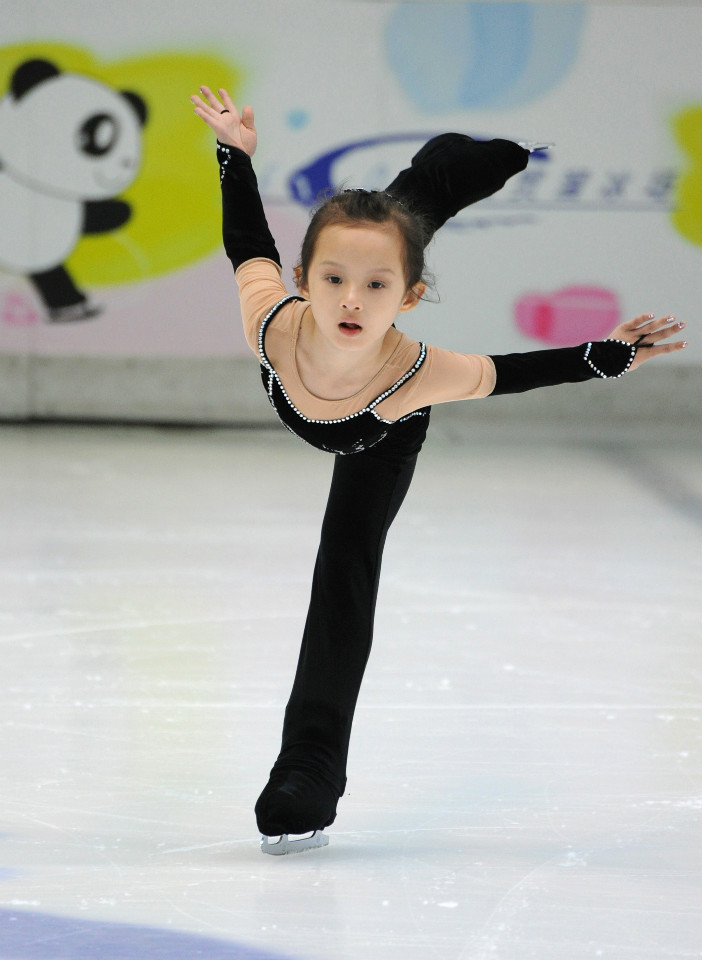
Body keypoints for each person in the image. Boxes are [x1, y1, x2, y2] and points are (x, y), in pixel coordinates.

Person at [191, 86, 688, 855]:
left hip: (381, 436)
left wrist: (604, 354)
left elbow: (511, 371)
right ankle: (442, 170)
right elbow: (247, 241)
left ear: (412, 298)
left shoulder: (419, 371)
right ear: (302, 279)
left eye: (379, 288)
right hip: (335, 335)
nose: (351, 300)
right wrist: (236, 154)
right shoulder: (270, 315)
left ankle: (309, 772)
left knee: (344, 569)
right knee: (384, 222)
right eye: (331, 280)